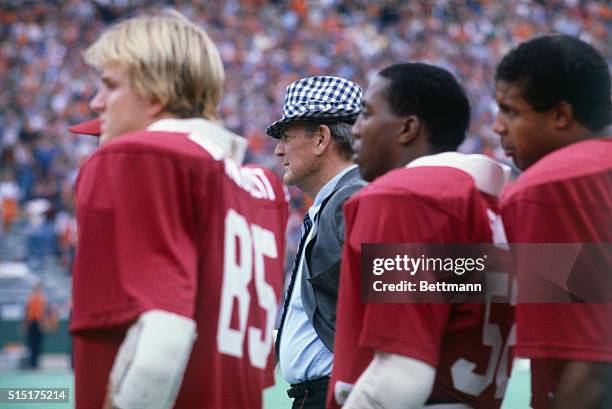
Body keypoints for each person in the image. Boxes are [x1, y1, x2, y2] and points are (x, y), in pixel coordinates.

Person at [69, 10, 288, 409]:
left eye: (110, 86)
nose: (96, 102)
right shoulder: (260, 185)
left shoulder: (140, 156)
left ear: (155, 94)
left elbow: (164, 332)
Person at [328, 62, 514, 408]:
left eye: (366, 115)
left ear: (408, 128)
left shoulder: (406, 196)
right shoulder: (490, 203)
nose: (355, 130)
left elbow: (402, 372)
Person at [494, 34, 612, 409]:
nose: (498, 127)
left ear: (561, 115)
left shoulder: (555, 186)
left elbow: (593, 362)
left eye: (510, 111)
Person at [266, 76, 366, 408]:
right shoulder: (337, 200)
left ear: (321, 138)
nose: (279, 148)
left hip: (335, 394)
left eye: (286, 136)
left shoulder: (350, 200)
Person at [23, 282, 47, 369]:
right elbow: (27, 313)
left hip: (37, 323)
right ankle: (32, 363)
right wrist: (26, 325)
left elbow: (43, 313)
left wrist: (43, 323)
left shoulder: (41, 299)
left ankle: (35, 363)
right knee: (32, 344)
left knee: (37, 344)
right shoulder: (31, 299)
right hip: (33, 323)